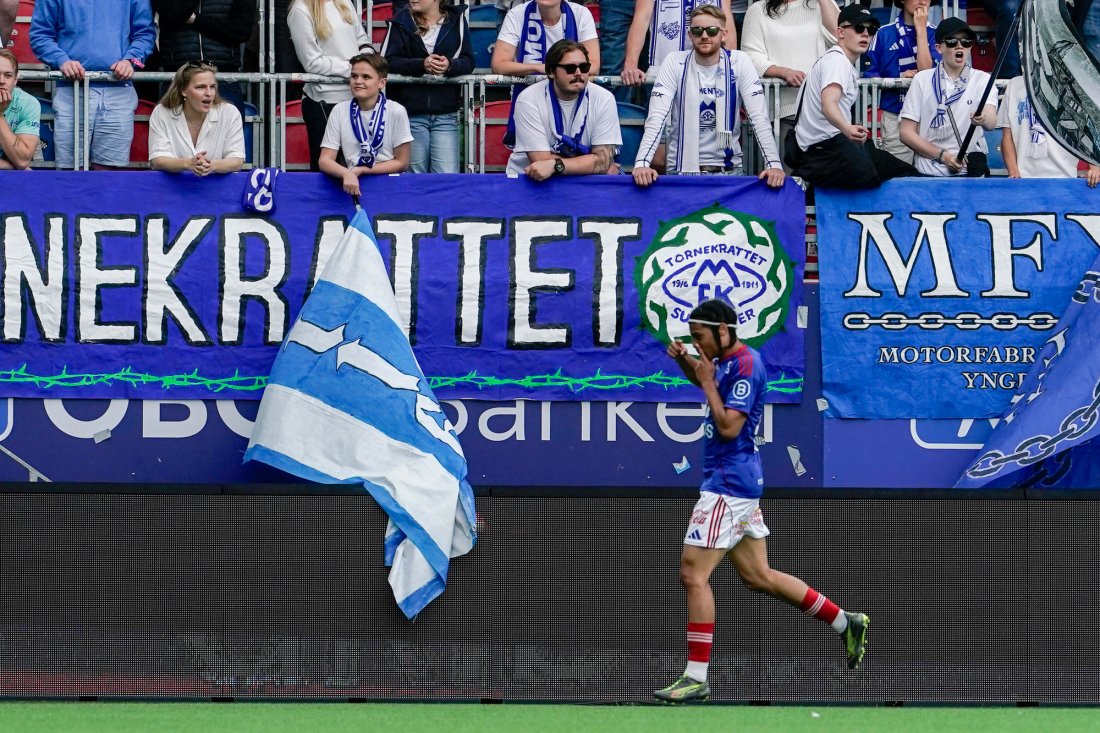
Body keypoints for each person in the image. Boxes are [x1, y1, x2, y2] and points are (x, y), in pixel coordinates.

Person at [653, 299, 869, 704]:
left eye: (700, 338)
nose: (698, 346)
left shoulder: (747, 365)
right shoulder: (723, 361)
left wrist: (706, 381)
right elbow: (705, 382)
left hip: (728, 484)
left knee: (693, 574)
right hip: (737, 482)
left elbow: (729, 427)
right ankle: (845, 622)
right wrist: (687, 363)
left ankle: (696, 677)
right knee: (759, 576)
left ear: (723, 331)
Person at [632, 6, 784, 187]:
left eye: (711, 30)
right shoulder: (674, 61)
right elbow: (656, 117)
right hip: (681, 172)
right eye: (697, 31)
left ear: (724, 34)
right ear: (690, 35)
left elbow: (759, 118)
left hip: (728, 172)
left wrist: (774, 165)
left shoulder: (739, 61)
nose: (704, 36)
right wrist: (642, 163)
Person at [788, 4, 918, 189]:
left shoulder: (834, 59)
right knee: (890, 174)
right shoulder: (838, 61)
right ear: (840, 32)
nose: (865, 34)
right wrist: (847, 128)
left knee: (890, 168)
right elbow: (828, 103)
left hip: (822, 149)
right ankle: (806, 183)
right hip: (824, 151)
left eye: (871, 30)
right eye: (858, 28)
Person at [29, 0, 156, 170]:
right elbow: (40, 35)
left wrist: (131, 61)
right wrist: (62, 61)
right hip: (71, 88)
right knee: (71, 169)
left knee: (109, 170)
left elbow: (145, 35)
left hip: (118, 89)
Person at [740, 0, 838, 169]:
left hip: (824, 114)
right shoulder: (757, 10)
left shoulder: (823, 4)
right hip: (782, 114)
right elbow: (751, 56)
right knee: (786, 179)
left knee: (826, 179)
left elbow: (841, 37)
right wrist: (784, 72)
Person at [506, 39, 622, 179]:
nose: (578, 73)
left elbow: (602, 161)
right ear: (551, 71)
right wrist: (592, 164)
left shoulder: (604, 98)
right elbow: (540, 162)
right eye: (570, 68)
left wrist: (555, 165)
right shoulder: (528, 99)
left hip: (584, 181)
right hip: (532, 182)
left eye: (584, 67)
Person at [382, 0, 474, 173]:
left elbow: (468, 61)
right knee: (415, 179)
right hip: (410, 114)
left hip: (446, 114)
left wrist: (450, 65)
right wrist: (421, 65)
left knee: (446, 177)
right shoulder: (401, 20)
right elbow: (387, 62)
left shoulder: (458, 20)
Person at [899, 18, 998, 177]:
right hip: (928, 174)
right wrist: (942, 156)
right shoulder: (922, 79)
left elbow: (991, 122)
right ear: (939, 48)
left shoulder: (983, 79)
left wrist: (983, 118)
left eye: (966, 41)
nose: (960, 46)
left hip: (968, 174)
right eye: (952, 42)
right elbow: (906, 133)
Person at [288, 0, 376, 171]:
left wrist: (366, 62)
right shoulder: (300, 9)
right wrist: (356, 70)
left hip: (357, 98)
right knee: (327, 171)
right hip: (323, 101)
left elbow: (363, 40)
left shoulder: (344, 2)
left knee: (362, 166)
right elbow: (312, 62)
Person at [319, 53, 413, 197]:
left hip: (389, 184)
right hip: (353, 182)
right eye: (354, 76)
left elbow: (402, 162)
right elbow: (325, 160)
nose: (358, 81)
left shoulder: (396, 111)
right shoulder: (339, 110)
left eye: (366, 77)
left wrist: (362, 169)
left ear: (382, 83)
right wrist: (346, 173)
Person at [862, 0, 938, 164]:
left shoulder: (936, 33)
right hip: (895, 115)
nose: (922, 1)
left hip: (930, 118)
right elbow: (869, 78)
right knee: (899, 174)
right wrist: (899, 76)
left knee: (932, 177)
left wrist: (921, 30)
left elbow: (926, 72)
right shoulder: (883, 33)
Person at [152, 0, 258, 112]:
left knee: (228, 122)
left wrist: (196, 20)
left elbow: (241, 31)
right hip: (178, 76)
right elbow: (171, 12)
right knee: (171, 122)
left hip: (223, 77)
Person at [998, 75, 1100, 186]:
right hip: (1024, 179)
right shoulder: (1014, 84)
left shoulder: (1074, 83)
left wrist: (1095, 167)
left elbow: (1089, 131)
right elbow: (1007, 138)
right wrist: (1014, 172)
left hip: (1064, 177)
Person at [148, 61, 246, 175]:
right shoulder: (162, 112)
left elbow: (237, 160)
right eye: (201, 87)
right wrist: (189, 164)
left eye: (212, 87)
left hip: (216, 185)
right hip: (172, 185)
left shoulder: (230, 112)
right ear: (183, 90)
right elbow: (158, 160)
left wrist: (211, 165)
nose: (209, 93)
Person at [621, 0, 735, 88]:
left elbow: (725, 20)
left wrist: (732, 66)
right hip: (663, 69)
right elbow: (642, 17)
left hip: (709, 70)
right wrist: (631, 65)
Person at [491, 0, 600, 77]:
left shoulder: (581, 14)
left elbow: (594, 66)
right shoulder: (516, 14)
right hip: (529, 94)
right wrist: (537, 68)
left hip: (571, 92)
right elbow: (498, 65)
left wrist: (557, 70)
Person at [0, 50, 41, 171]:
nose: (1, 81)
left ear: (15, 80)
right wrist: (9, 166)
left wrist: (0, 115)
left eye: (8, 75)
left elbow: (22, 160)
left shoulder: (28, 103)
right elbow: (20, 166)